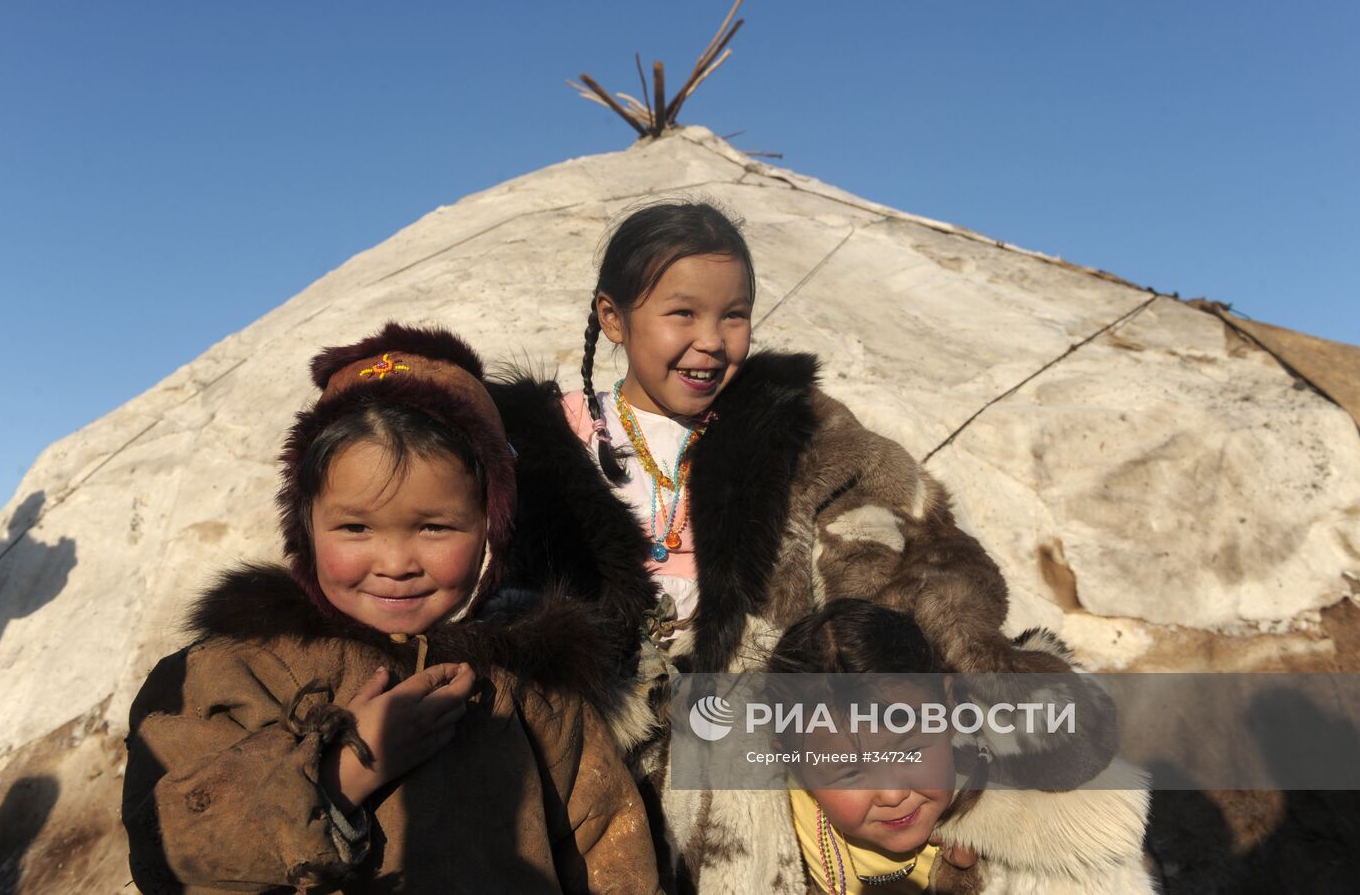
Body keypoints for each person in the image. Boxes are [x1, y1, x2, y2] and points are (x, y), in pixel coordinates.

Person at [484, 200, 1114, 891]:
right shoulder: (529, 450)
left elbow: (910, 572)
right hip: (584, 750)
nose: (712, 340)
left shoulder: (801, 441)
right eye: (682, 313)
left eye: (735, 314)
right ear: (613, 317)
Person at [122, 324, 659, 894]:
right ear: (304, 523)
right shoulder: (231, 673)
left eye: (434, 526)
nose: (396, 562)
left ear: (489, 529)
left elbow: (614, 860)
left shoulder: (539, 694)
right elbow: (165, 860)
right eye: (355, 527)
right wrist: (339, 775)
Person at [768, 599, 1156, 894]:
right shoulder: (774, 840)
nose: (892, 794)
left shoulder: (1036, 826)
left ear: (949, 706)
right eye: (850, 772)